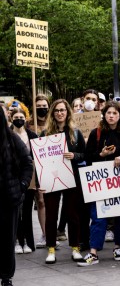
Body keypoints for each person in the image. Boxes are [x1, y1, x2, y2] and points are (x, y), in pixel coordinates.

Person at [78, 101, 120, 266]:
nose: (112, 116)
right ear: (104, 115)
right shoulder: (97, 133)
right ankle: (93, 252)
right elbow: (87, 157)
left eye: (115, 113)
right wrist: (101, 154)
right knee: (97, 217)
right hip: (101, 183)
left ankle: (118, 247)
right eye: (109, 113)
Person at [40, 99, 86, 264]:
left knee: (73, 214)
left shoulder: (76, 133)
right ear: (53, 113)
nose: (60, 113)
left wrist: (75, 156)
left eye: (63, 110)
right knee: (51, 215)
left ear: (68, 112)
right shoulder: (45, 134)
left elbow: (85, 154)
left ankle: (75, 247)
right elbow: (39, 160)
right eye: (57, 110)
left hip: (72, 177)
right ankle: (51, 249)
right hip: (51, 179)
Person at [0, 105, 33, 286]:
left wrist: (21, 186)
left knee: (6, 239)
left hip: (8, 198)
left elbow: (28, 164)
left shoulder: (11, 138)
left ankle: (6, 277)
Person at [11, 108, 37, 255]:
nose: (19, 119)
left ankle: (27, 241)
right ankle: (16, 241)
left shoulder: (32, 136)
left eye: (21, 116)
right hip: (13, 178)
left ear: (26, 119)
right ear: (11, 118)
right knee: (15, 212)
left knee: (27, 212)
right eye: (16, 116)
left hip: (30, 178)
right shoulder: (7, 135)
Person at [27, 94, 49, 249]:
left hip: (48, 166)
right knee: (36, 201)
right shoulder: (28, 124)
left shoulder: (52, 123)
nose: (42, 108)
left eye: (44, 106)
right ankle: (41, 234)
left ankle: (50, 232)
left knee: (46, 201)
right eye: (38, 106)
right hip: (32, 166)